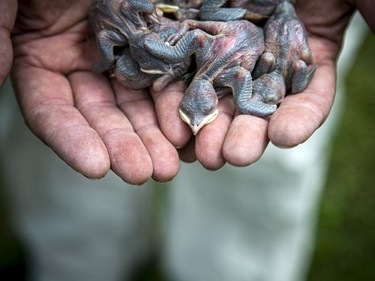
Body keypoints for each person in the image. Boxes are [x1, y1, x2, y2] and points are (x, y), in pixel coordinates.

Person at [0, 0, 373, 280]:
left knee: (264, 160)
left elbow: (196, 37)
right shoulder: (217, 69)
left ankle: (237, 270)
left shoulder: (228, 72)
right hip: (147, 27)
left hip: (256, 28)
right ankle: (78, 262)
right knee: (68, 162)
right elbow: (191, 37)